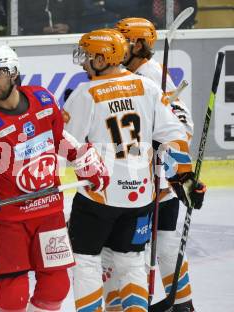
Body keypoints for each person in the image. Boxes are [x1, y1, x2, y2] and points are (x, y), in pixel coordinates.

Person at [0, 44, 109, 312]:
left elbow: (59, 137)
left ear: (14, 72)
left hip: (48, 208)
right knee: (12, 296)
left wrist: (84, 161)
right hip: (8, 218)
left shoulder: (43, 98)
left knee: (56, 287)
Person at [64, 28, 205, 311]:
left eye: (88, 56)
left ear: (102, 59)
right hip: (141, 197)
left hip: (99, 198)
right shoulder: (148, 88)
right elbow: (175, 135)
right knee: (130, 262)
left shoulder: (86, 93)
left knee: (86, 261)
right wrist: (183, 176)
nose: (83, 62)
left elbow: (65, 145)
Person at [113, 17, 203, 312]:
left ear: (138, 44)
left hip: (159, 177)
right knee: (145, 245)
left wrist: (158, 138)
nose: (117, 44)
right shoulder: (126, 73)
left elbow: (183, 127)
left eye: (122, 39)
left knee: (159, 243)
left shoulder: (151, 75)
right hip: (138, 176)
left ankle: (182, 305)